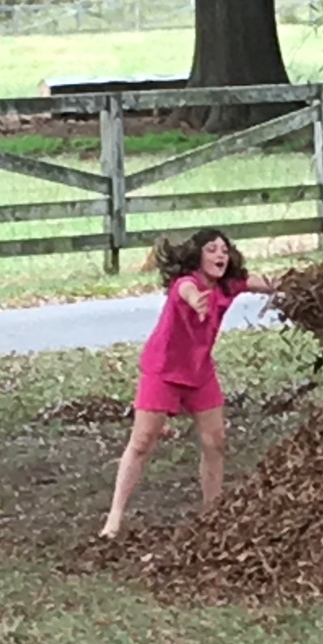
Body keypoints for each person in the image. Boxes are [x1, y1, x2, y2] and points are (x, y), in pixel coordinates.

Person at [99, 228, 276, 538]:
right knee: (142, 443)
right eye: (211, 250)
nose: (220, 255)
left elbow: (260, 283)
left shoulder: (228, 286)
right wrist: (196, 302)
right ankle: (113, 519)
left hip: (200, 373)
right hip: (163, 371)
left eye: (224, 249)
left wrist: (292, 285)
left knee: (216, 441)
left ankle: (212, 513)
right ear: (197, 257)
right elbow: (186, 292)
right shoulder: (187, 284)